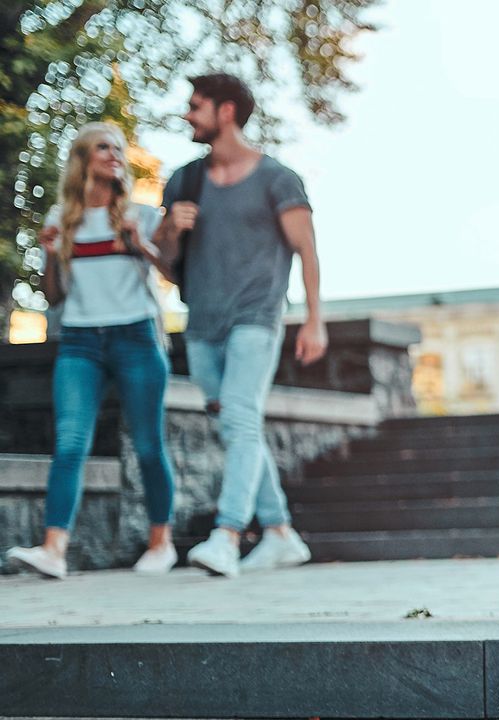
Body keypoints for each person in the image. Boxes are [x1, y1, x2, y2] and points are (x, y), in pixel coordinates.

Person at [153, 73, 327, 578]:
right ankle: (279, 532)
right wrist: (168, 230)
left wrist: (315, 320)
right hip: (202, 325)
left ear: (226, 111)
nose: (188, 114)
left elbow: (307, 249)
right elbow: (167, 265)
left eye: (196, 106)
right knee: (237, 426)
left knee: (241, 420)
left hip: (256, 318)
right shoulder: (184, 180)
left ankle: (227, 535)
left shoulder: (277, 178)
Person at [5, 122, 179, 579]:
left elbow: (173, 275)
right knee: (70, 444)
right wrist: (48, 255)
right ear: (84, 158)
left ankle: (162, 541)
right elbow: (55, 297)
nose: (114, 155)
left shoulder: (140, 214)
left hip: (136, 337)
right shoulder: (61, 220)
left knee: (147, 444)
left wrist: (140, 243)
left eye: (119, 148)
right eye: (104, 148)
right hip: (80, 341)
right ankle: (54, 549)